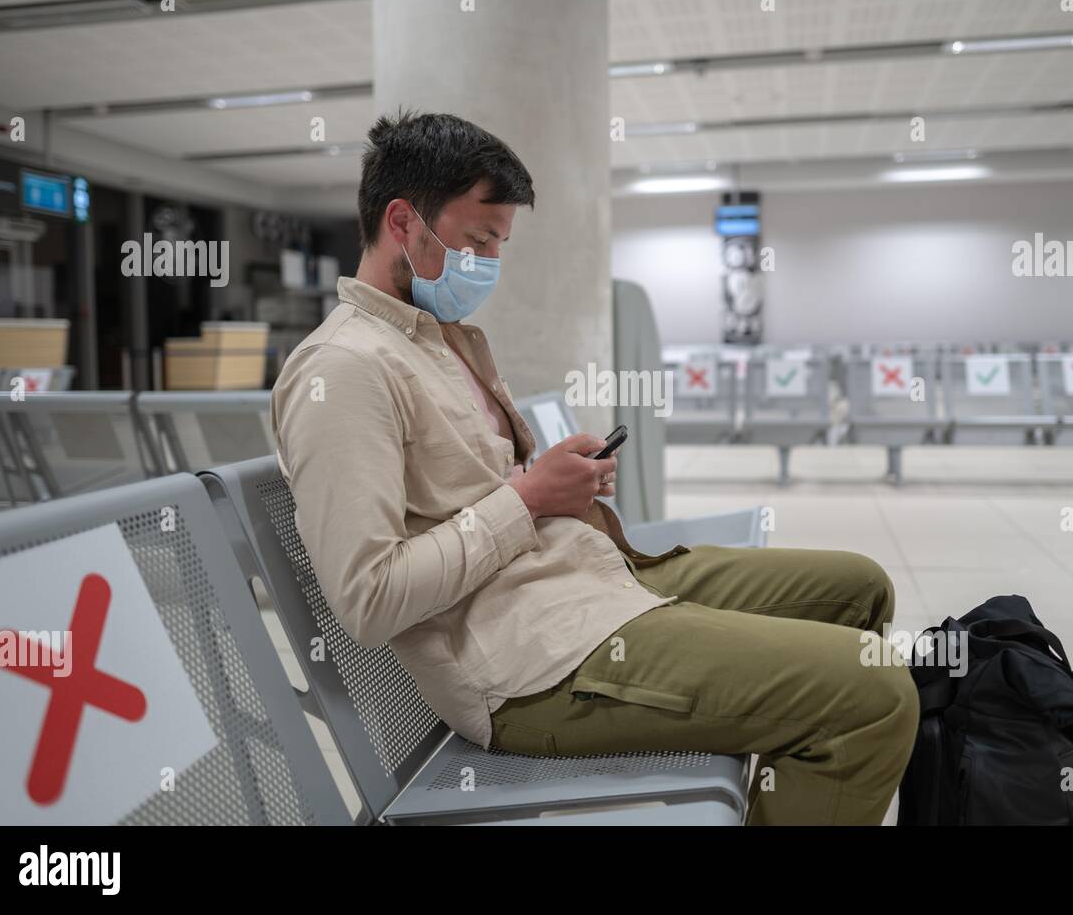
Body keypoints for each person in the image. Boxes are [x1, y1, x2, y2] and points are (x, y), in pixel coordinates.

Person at [271, 110, 919, 825]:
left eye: (500, 243)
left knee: (858, 590)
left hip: (591, 575)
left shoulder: (442, 339)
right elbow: (369, 599)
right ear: (403, 222)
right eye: (478, 238)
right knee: (873, 694)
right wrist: (528, 497)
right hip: (533, 662)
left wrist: (553, 485)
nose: (489, 261)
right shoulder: (343, 371)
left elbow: (487, 497)